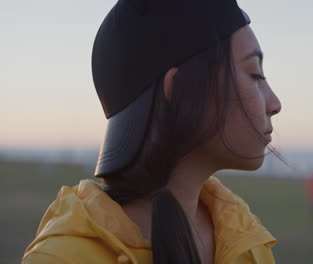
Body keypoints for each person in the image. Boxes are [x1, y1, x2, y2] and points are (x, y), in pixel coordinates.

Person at [21, 0, 282, 263]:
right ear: (180, 90)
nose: (275, 104)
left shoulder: (244, 237)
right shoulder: (61, 258)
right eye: (255, 75)